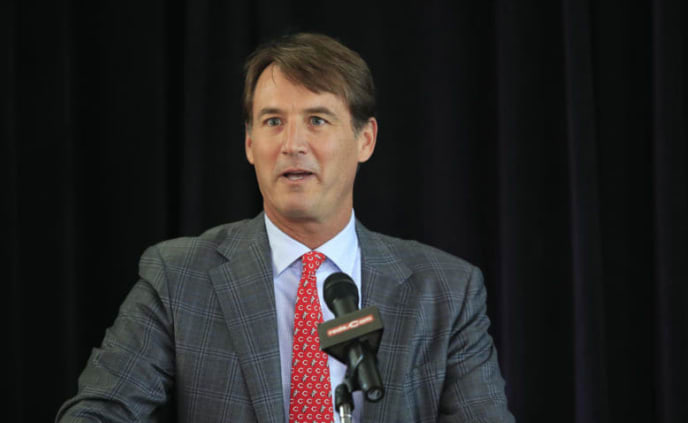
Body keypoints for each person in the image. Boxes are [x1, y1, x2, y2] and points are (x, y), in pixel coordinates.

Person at [57, 33, 514, 423]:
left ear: (365, 139)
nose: (292, 145)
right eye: (274, 122)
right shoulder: (178, 278)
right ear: (250, 144)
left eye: (317, 120)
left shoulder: (446, 292)